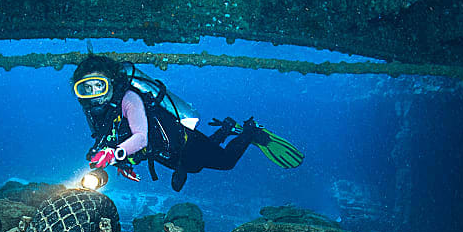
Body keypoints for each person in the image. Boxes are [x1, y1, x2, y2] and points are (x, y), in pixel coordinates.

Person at [72, 55, 303, 191]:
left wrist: (115, 155)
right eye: (85, 89)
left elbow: (140, 137)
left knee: (226, 162)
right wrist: (122, 163)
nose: (94, 95)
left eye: (98, 85)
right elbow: (113, 138)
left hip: (186, 143)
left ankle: (249, 132)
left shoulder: (130, 99)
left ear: (111, 82)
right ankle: (226, 128)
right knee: (197, 164)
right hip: (169, 154)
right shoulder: (96, 113)